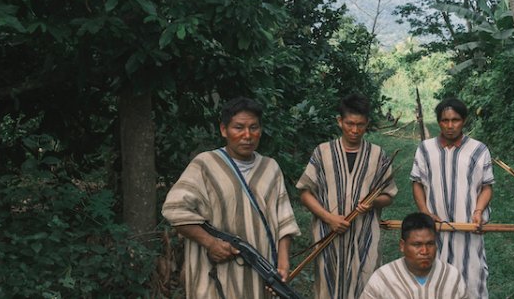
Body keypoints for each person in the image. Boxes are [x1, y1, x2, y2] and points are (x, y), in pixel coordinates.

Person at [162, 97, 300, 298]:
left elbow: (284, 220)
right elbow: (174, 210)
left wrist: (283, 262)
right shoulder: (204, 164)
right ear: (224, 130)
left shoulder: (271, 167)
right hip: (217, 274)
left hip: (262, 273)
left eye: (254, 128)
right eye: (239, 128)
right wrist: (211, 243)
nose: (247, 135)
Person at [296, 94, 398, 299]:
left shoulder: (377, 155)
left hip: (365, 235)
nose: (354, 130)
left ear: (367, 123)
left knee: (367, 285)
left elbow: (389, 195)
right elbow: (305, 193)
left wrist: (373, 203)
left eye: (360, 124)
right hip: (328, 235)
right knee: (327, 286)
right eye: (349, 124)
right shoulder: (322, 152)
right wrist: (329, 218)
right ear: (339, 121)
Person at [409, 97, 493, 299]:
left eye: (455, 120)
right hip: (435, 229)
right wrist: (425, 212)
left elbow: (487, 187)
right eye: (445, 120)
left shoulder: (478, 150)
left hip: (468, 229)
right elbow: (417, 183)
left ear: (463, 121)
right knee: (434, 282)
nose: (450, 125)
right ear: (439, 122)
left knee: (472, 281)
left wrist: (478, 212)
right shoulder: (425, 149)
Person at [359, 212, 470, 299]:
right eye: (417, 245)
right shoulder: (383, 279)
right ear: (402, 245)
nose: (424, 251)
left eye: (430, 244)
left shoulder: (451, 276)